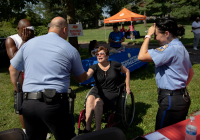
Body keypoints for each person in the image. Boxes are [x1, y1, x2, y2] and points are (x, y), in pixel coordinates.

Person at [9, 17, 87, 140]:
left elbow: (13, 69)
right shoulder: (70, 49)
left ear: (49, 28)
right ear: (64, 30)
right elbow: (80, 78)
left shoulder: (28, 44)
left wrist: (19, 91)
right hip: (55, 104)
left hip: (29, 103)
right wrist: (89, 74)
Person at [138, 17, 194, 130]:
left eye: (156, 34)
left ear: (167, 33)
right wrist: (179, 90)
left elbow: (141, 56)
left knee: (161, 134)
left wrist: (148, 35)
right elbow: (191, 73)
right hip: (181, 98)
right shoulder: (180, 46)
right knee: (175, 135)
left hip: (171, 101)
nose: (155, 38)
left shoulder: (170, 49)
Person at [84, 46, 130, 132]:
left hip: (112, 91)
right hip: (98, 90)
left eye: (102, 54)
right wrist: (83, 75)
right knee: (90, 98)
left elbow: (127, 71)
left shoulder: (114, 65)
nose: (99, 56)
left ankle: (98, 131)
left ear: (107, 56)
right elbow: (88, 75)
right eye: (97, 54)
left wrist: (127, 86)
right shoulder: (94, 67)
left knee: (98, 101)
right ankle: (87, 128)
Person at [5, 19, 34, 135]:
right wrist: (24, 41)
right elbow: (14, 59)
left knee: (36, 101)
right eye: (25, 30)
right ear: (18, 29)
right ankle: (26, 130)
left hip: (34, 72)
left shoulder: (35, 39)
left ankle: (38, 128)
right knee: (23, 102)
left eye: (30, 29)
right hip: (20, 74)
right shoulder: (11, 39)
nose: (28, 32)